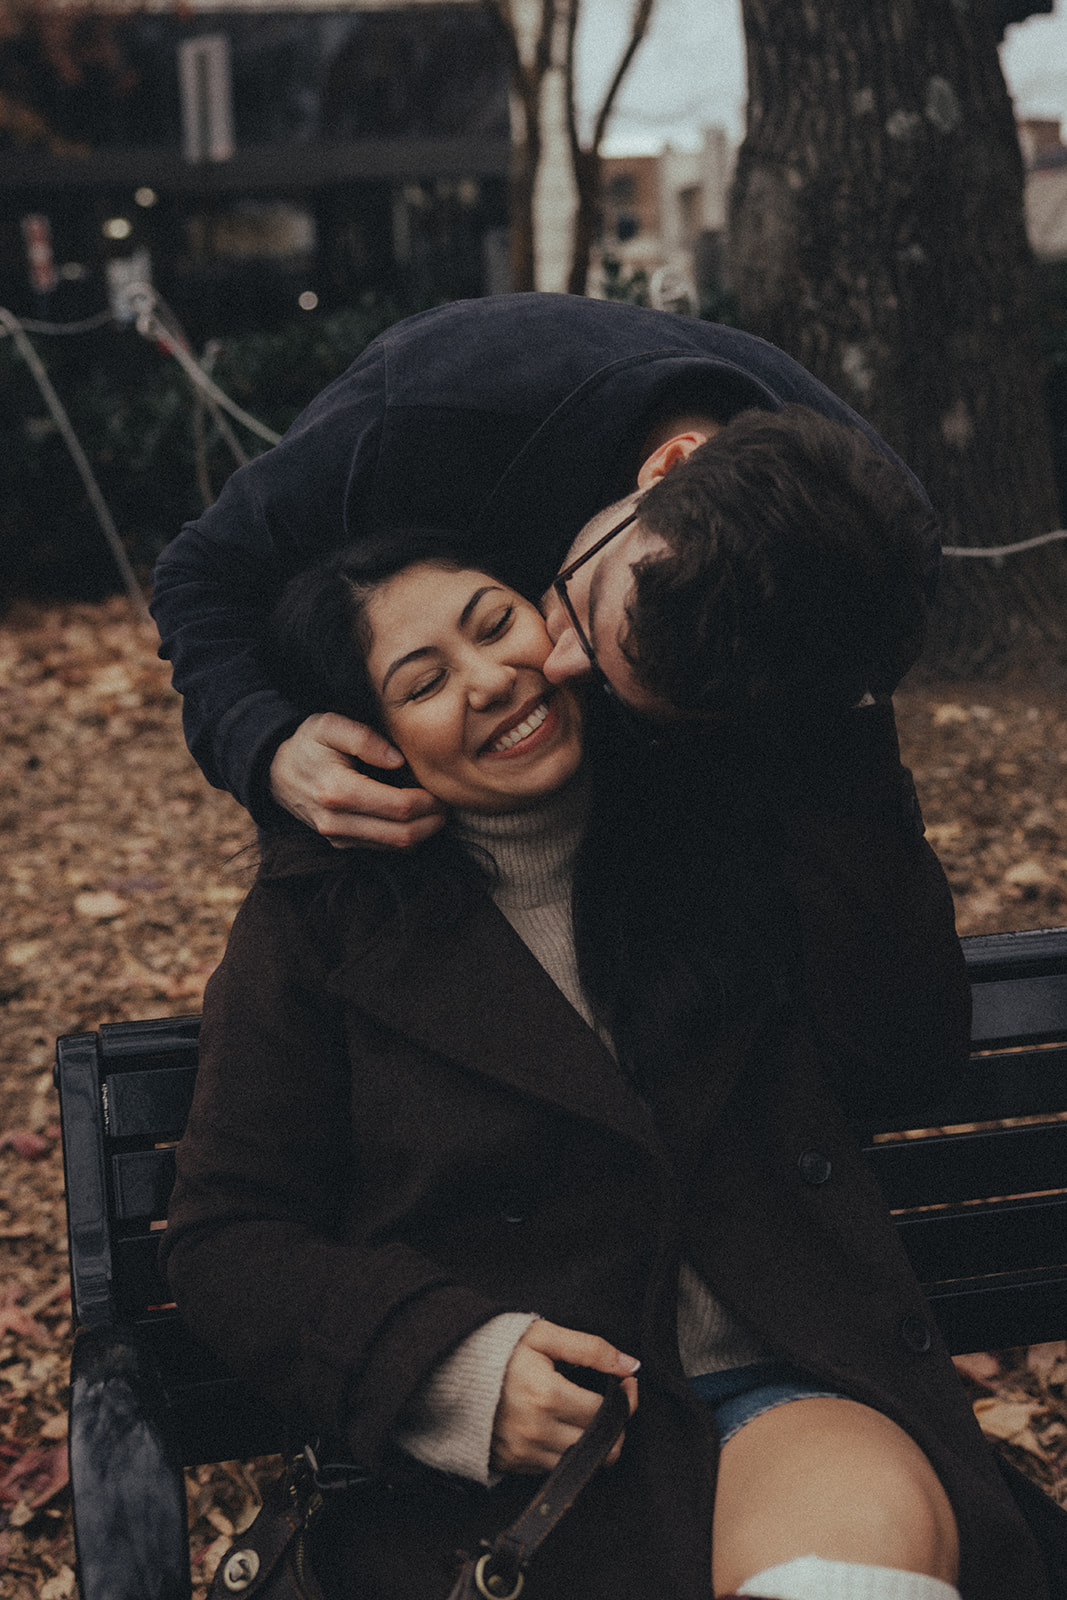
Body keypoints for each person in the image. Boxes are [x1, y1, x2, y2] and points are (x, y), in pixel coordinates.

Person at [163, 440, 1048, 1598]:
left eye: (494, 623)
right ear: (368, 744)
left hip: (781, 1395)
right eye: (422, 682)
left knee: (852, 1557)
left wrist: (826, 717)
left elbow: (905, 1054)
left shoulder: (715, 813)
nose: (490, 678)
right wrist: (445, 1363)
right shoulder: (320, 927)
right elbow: (227, 1236)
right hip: (516, 1489)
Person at [148, 293, 938, 847]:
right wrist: (265, 746)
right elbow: (203, 572)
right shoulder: (431, 402)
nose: (552, 664)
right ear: (667, 466)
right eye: (582, 608)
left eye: (617, 691)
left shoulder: (875, 572)